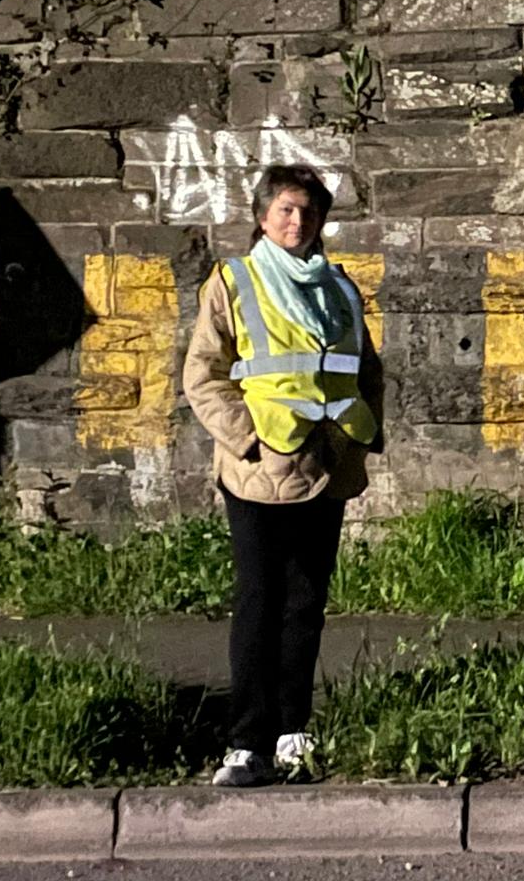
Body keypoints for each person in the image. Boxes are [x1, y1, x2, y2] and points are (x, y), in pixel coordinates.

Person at [183, 164, 383, 786]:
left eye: (310, 212)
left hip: (328, 463)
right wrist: (245, 440)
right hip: (258, 469)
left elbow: (364, 368)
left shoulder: (340, 286)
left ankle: (295, 730)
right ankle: (247, 742)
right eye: (287, 210)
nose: (299, 223)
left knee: (306, 603)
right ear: (263, 217)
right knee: (258, 600)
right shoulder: (233, 282)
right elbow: (203, 374)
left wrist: (365, 434)